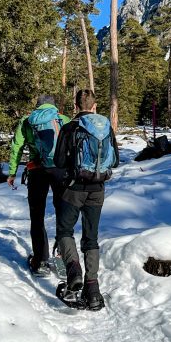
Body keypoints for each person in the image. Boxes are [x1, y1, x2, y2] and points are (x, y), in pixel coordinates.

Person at [53, 88, 119, 310]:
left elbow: (59, 161)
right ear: (94, 106)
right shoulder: (106, 127)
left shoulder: (70, 127)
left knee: (64, 231)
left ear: (76, 106)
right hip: (98, 189)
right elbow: (116, 161)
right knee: (91, 238)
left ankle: (74, 273)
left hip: (73, 189)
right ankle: (92, 289)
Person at [7, 94, 71, 275]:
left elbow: (17, 147)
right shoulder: (63, 119)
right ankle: (63, 258)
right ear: (53, 106)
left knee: (37, 215)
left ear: (37, 106)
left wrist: (12, 172)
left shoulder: (27, 121)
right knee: (63, 213)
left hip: (36, 170)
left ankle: (40, 261)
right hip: (60, 170)